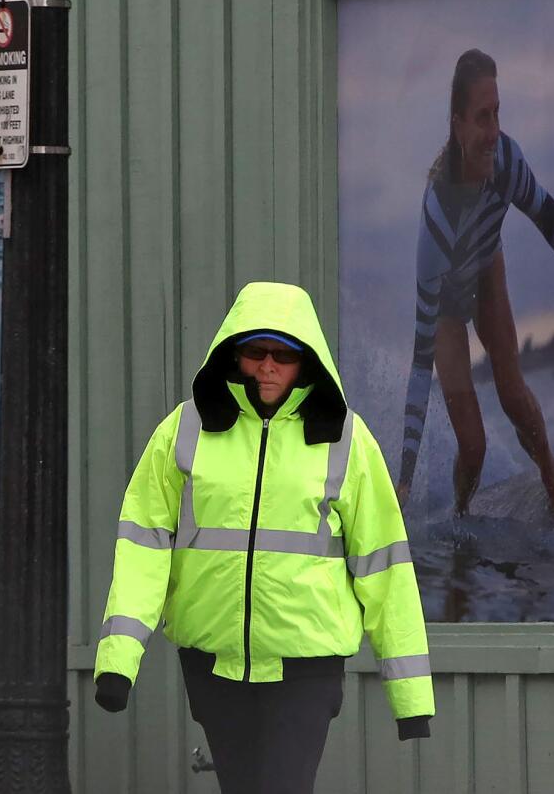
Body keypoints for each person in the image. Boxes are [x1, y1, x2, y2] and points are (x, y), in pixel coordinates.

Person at [93, 282, 434, 794]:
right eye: (255, 352)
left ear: (308, 361)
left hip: (306, 667)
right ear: (234, 354)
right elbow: (144, 546)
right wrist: (119, 660)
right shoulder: (185, 431)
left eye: (284, 354)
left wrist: (411, 697)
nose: (268, 366)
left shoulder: (345, 440)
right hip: (211, 665)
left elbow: (384, 566)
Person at [397, 48, 554, 529]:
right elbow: (421, 362)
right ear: (457, 125)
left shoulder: (506, 160)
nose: (492, 131)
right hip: (446, 312)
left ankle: (552, 480)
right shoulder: (436, 221)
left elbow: (545, 212)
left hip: (486, 270)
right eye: (482, 118)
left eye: (497, 113)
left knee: (514, 395)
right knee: (474, 447)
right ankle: (459, 517)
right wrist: (405, 478)